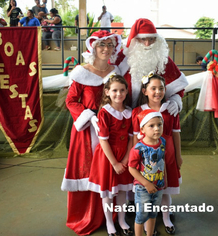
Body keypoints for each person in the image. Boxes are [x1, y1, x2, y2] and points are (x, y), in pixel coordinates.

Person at [60, 30, 122, 236]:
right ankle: (87, 215)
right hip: (87, 131)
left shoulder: (117, 70)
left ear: (114, 48)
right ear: (93, 47)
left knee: (110, 171)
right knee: (87, 172)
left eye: (110, 45)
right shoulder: (80, 72)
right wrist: (90, 116)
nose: (106, 49)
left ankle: (113, 217)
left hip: (111, 131)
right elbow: (71, 101)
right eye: (101, 45)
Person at [132, 73, 182, 235]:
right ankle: (146, 224)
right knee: (147, 190)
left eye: (161, 88)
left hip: (167, 153)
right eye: (153, 88)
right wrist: (136, 157)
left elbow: (176, 133)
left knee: (166, 187)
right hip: (146, 157)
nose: (158, 92)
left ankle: (166, 217)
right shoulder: (138, 112)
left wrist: (178, 155)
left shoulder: (171, 109)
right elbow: (135, 138)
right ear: (145, 91)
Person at [87, 74, 134, 236]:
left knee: (121, 191)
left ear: (127, 91)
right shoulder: (104, 113)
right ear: (107, 92)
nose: (118, 94)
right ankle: (109, 222)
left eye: (122, 90)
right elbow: (103, 141)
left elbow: (131, 138)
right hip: (108, 158)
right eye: (114, 90)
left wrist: (126, 160)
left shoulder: (129, 112)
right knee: (107, 192)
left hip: (124, 157)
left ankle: (121, 220)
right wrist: (115, 163)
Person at [115, 18, 188, 113]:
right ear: (135, 39)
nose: (147, 44)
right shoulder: (122, 58)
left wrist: (175, 100)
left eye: (151, 39)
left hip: (154, 116)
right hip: (124, 113)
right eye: (143, 39)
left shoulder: (162, 58)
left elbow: (177, 86)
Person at [129, 109, 166, 236]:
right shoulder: (138, 148)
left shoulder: (163, 142)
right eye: (151, 125)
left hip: (158, 186)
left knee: (153, 213)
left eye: (159, 124)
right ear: (142, 129)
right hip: (143, 188)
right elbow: (132, 168)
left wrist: (163, 180)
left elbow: (162, 162)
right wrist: (146, 184)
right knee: (141, 215)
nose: (156, 129)